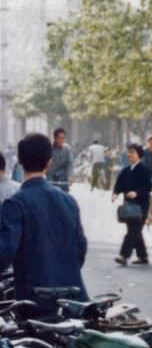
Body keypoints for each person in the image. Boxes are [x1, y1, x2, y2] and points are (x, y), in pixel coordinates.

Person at [0, 133, 87, 312]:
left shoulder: (15, 204)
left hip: (34, 301)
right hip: (73, 297)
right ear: (49, 162)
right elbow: (80, 248)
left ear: (20, 162)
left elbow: (4, 253)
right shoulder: (68, 201)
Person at [112, 143, 152, 266]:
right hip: (128, 206)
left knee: (133, 230)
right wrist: (115, 193)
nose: (130, 154)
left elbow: (148, 187)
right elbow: (119, 184)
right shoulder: (125, 170)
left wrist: (136, 193)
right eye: (129, 152)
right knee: (134, 230)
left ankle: (123, 255)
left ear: (139, 155)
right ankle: (143, 256)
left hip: (142, 206)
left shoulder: (145, 170)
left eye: (133, 152)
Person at [48, 127, 73, 193]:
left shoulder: (67, 149)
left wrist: (70, 176)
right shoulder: (48, 149)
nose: (61, 140)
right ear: (55, 138)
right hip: (50, 179)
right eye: (59, 138)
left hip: (62, 179)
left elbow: (70, 164)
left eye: (63, 138)